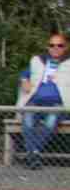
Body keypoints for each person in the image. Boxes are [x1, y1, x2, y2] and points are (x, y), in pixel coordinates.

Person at [15, 30, 69, 168]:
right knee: (28, 120)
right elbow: (24, 74)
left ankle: (31, 155)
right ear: (48, 47)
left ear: (66, 47)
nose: (55, 48)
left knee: (50, 122)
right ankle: (34, 154)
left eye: (60, 45)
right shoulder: (38, 61)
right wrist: (24, 80)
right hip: (35, 102)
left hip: (58, 104)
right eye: (52, 45)